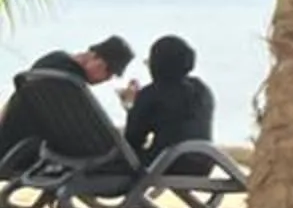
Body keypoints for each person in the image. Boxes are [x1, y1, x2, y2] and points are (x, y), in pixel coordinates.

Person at [0, 35, 134, 158]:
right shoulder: (70, 83)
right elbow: (90, 133)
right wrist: (130, 106)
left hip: (8, 140)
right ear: (94, 57)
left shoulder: (53, 60)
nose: (108, 78)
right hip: (27, 153)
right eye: (108, 70)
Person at [122, 35, 216, 163]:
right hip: (204, 162)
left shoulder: (152, 93)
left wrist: (131, 107)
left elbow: (132, 139)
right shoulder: (202, 90)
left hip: (166, 162)